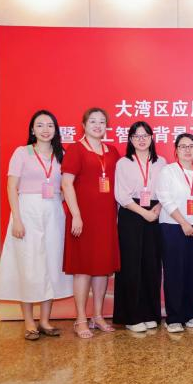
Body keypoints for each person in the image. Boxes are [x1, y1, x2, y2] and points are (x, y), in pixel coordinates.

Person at [0, 110, 73, 340]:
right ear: (32, 129)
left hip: (53, 213)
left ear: (56, 130)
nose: (45, 130)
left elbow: (66, 185)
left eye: (50, 125)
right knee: (28, 266)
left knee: (50, 264)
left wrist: (60, 201)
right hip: (27, 211)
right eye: (40, 125)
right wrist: (17, 219)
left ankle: (45, 321)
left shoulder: (61, 154)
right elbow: (11, 187)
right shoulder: (22, 152)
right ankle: (29, 323)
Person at [62, 108, 120, 338]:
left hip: (106, 218)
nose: (98, 125)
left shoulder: (112, 151)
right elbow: (66, 184)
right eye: (93, 121)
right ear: (84, 125)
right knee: (83, 268)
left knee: (102, 268)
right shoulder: (76, 149)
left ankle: (97, 315)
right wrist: (76, 215)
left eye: (102, 122)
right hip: (83, 218)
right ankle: (80, 319)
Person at [113, 121, 166, 333]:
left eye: (145, 135)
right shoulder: (123, 163)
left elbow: (165, 190)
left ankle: (150, 313)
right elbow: (121, 195)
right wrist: (144, 213)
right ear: (130, 139)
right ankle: (132, 317)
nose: (141, 139)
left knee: (151, 265)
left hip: (155, 212)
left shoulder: (161, 162)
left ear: (152, 138)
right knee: (131, 265)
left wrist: (158, 208)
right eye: (137, 136)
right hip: (132, 214)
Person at [156, 133, 193, 333]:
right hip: (173, 226)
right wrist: (184, 223)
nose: (187, 150)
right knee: (174, 271)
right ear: (176, 150)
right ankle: (174, 317)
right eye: (182, 146)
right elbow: (165, 199)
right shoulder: (168, 171)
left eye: (191, 146)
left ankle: (191, 314)